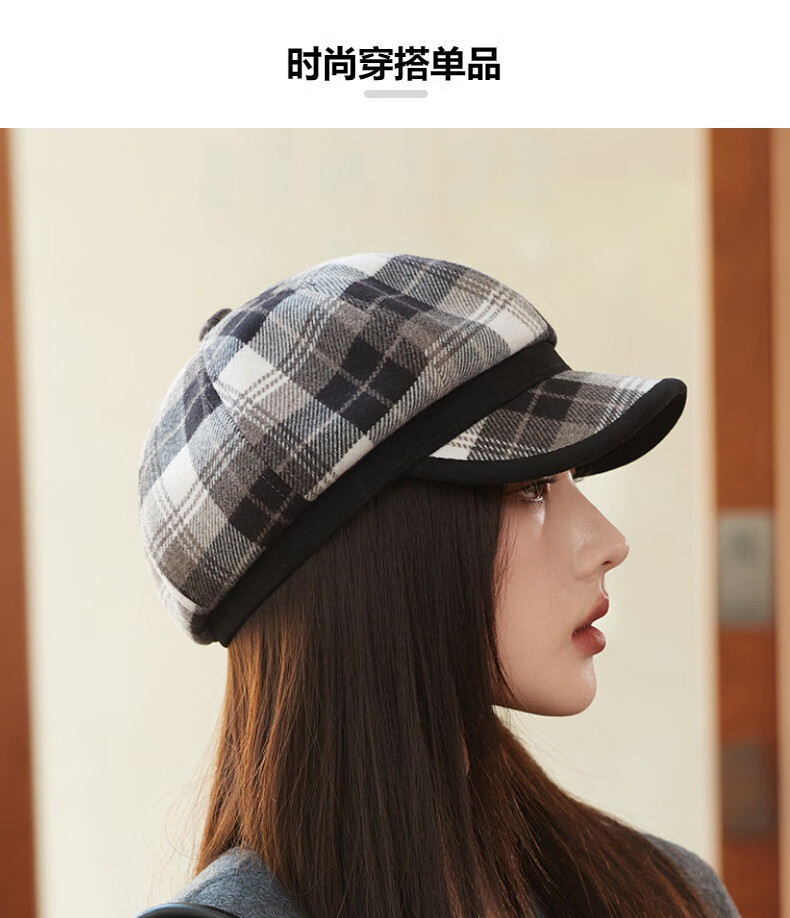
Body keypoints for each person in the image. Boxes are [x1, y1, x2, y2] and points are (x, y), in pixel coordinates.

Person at [135, 253, 741, 917]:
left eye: (572, 477)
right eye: (532, 487)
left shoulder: (667, 894)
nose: (608, 543)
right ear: (372, 556)